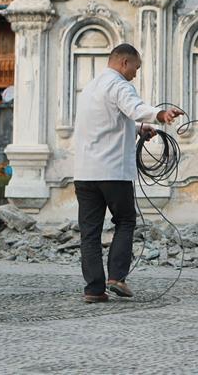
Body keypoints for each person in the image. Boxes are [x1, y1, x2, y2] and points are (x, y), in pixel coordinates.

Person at [73, 43, 183, 303]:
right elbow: (134, 107)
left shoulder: (90, 88)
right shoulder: (119, 85)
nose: (136, 73)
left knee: (90, 232)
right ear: (124, 62)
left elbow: (108, 123)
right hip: (112, 172)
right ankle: (117, 277)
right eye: (136, 67)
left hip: (84, 173)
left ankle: (94, 290)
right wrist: (160, 114)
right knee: (125, 221)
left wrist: (137, 129)